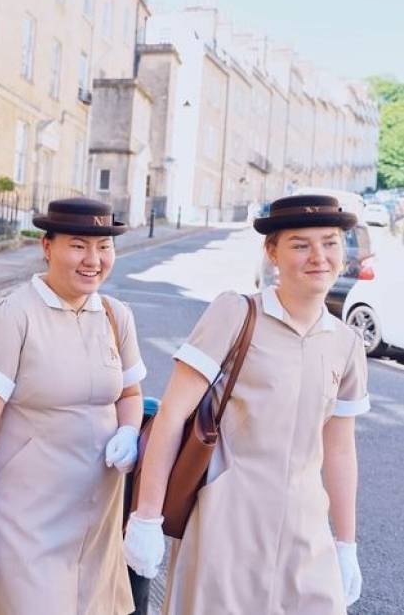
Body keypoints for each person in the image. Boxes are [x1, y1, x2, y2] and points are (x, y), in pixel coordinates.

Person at [124, 194, 370, 614]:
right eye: (300, 244)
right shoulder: (236, 314)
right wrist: (146, 516)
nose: (319, 256)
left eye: (330, 242)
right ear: (272, 252)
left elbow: (340, 450)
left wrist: (345, 544)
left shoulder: (346, 343)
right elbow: (172, 414)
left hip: (307, 534)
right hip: (227, 524)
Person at [0, 197, 147, 614]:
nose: (93, 260)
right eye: (78, 245)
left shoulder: (114, 315)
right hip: (27, 519)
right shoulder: (12, 315)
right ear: (47, 247)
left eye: (104, 247)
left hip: (96, 516)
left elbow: (130, 394)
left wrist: (127, 429)